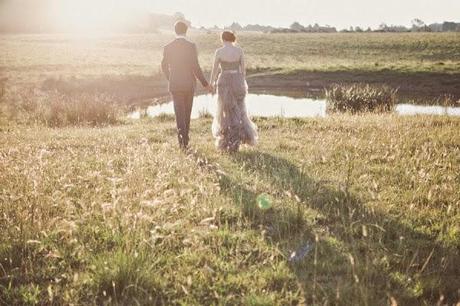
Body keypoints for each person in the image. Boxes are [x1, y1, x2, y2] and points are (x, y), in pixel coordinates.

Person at [161, 21, 213, 150]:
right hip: (189, 84)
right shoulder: (191, 46)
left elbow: (163, 66)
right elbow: (196, 67)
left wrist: (170, 78)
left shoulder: (168, 47)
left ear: (175, 31)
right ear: (186, 31)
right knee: (187, 112)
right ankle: (185, 140)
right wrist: (205, 84)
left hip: (175, 84)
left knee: (179, 113)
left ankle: (182, 142)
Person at [209, 31, 258, 152]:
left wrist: (211, 83)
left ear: (222, 39)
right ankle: (239, 139)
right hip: (237, 80)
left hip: (224, 80)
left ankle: (227, 141)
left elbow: (215, 70)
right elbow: (243, 71)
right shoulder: (239, 51)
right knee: (240, 110)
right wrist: (241, 82)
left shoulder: (219, 52)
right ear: (232, 39)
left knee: (225, 111)